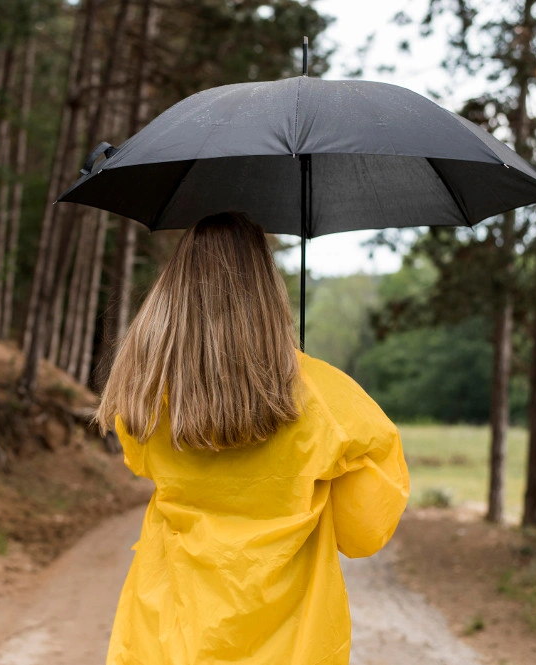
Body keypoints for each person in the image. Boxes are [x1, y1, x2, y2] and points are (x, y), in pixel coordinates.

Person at [94, 211, 409, 665]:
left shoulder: (145, 392)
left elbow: (141, 460)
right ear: (266, 290)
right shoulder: (324, 397)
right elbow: (364, 534)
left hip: (167, 633)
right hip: (293, 644)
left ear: (175, 292)